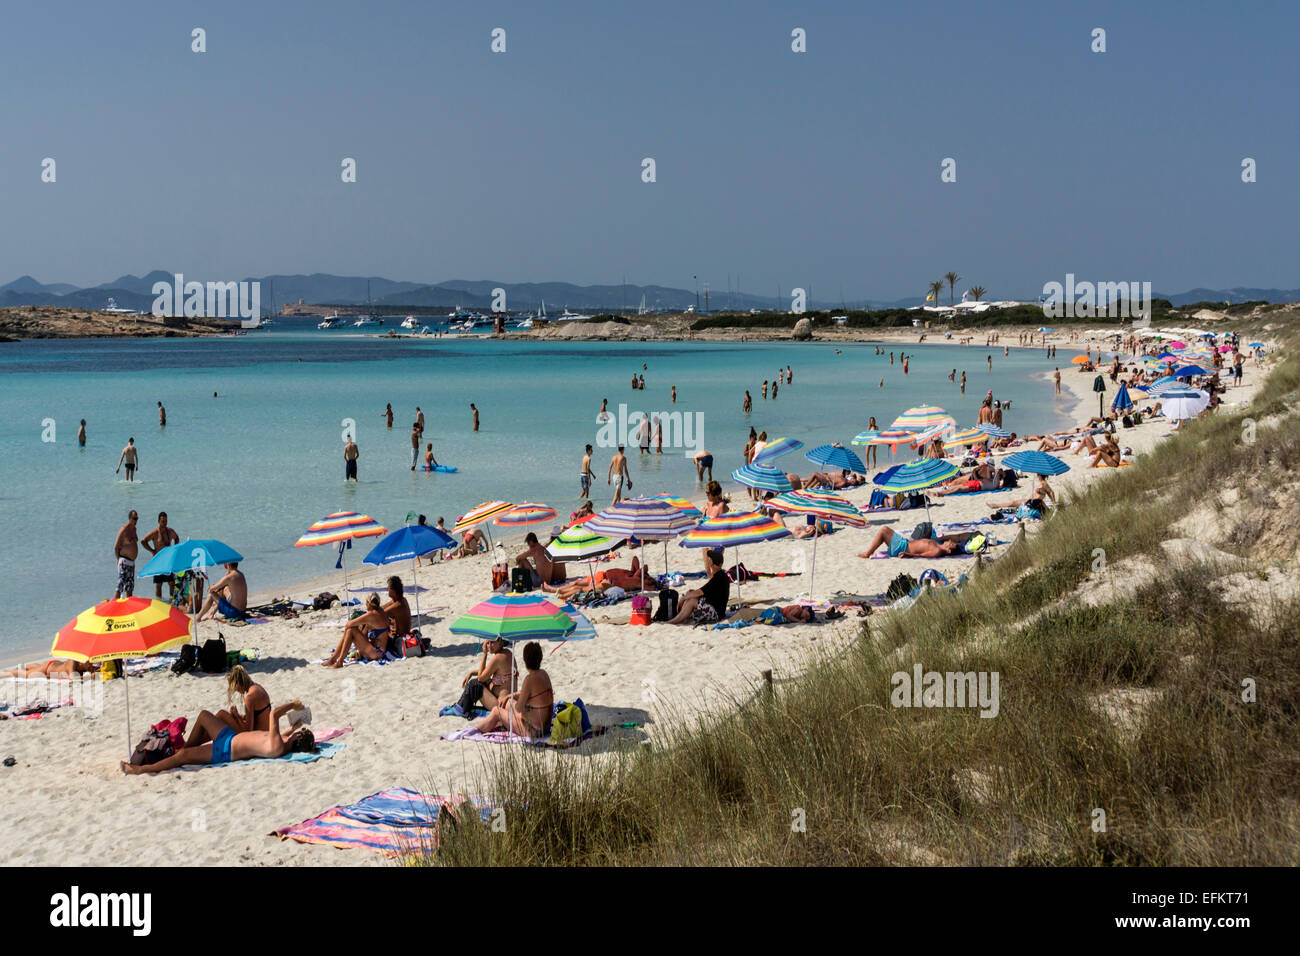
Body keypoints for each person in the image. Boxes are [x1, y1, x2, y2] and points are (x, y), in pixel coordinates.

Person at [122, 700, 315, 774]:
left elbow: (274, 715)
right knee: (204, 715)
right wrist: (292, 729)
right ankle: (184, 748)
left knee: (183, 757)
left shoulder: (277, 747)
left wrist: (293, 705)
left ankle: (140, 770)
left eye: (298, 734)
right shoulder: (280, 743)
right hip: (229, 738)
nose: (295, 733)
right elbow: (276, 736)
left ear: (297, 741)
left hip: (224, 751)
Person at [473, 641, 553, 739]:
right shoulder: (544, 674)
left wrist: (524, 705)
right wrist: (511, 695)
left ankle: (474, 731)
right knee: (508, 702)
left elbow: (519, 708)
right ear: (540, 658)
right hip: (546, 728)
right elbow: (535, 693)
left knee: (496, 711)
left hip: (533, 731)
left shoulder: (529, 679)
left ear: (525, 660)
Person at [182, 665, 273, 747]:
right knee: (221, 720)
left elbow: (248, 729)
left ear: (239, 683)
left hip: (257, 738)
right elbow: (256, 717)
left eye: (235, 687)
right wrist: (239, 717)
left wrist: (236, 716)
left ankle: (189, 745)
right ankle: (192, 743)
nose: (236, 690)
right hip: (265, 733)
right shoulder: (258, 688)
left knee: (221, 715)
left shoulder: (250, 697)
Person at [322, 594, 391, 667]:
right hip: (378, 651)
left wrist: (356, 628)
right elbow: (365, 636)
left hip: (376, 653)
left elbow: (349, 624)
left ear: (368, 603)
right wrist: (363, 627)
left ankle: (338, 661)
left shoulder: (371, 614)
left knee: (350, 629)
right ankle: (334, 659)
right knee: (351, 630)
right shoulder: (380, 611)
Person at [668, 549, 730, 625]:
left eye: (709, 559)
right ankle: (682, 618)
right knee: (690, 593)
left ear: (711, 562)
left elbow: (699, 592)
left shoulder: (718, 578)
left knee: (692, 600)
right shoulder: (720, 575)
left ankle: (674, 621)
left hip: (716, 613)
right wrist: (688, 594)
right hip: (714, 607)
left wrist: (683, 598)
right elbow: (705, 591)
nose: (708, 561)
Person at [461, 636, 516, 710]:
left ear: (499, 641)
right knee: (485, 681)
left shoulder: (498, 658)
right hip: (508, 700)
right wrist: (472, 673)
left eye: (492, 642)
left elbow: (480, 679)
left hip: (500, 704)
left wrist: (484, 654)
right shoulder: (507, 652)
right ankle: (461, 705)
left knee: (474, 684)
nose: (489, 646)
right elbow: (489, 670)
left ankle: (461, 708)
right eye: (487, 643)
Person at [857, 526, 973, 559]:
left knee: (883, 530)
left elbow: (922, 555)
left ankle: (867, 554)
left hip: (903, 548)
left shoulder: (937, 550)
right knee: (886, 530)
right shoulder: (938, 544)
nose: (949, 541)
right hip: (905, 543)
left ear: (948, 550)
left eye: (950, 544)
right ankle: (868, 552)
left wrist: (908, 555)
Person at [141, 511, 180, 599]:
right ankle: (159, 602)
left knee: (171, 582)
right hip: (158, 561)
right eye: (163, 521)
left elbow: (176, 538)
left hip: (168, 561)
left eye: (166, 521)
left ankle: (172, 601)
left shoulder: (170, 531)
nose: (164, 523)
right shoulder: (155, 533)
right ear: (158, 521)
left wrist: (174, 548)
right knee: (159, 584)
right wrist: (152, 550)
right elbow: (143, 541)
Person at [114, 510, 140, 598]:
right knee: (120, 586)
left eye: (137, 519)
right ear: (129, 518)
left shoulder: (134, 529)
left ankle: (128, 610)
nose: (136, 521)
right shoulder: (124, 529)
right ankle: (114, 606)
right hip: (124, 561)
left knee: (130, 588)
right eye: (134, 518)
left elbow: (135, 540)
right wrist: (118, 559)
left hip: (131, 563)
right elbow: (116, 546)